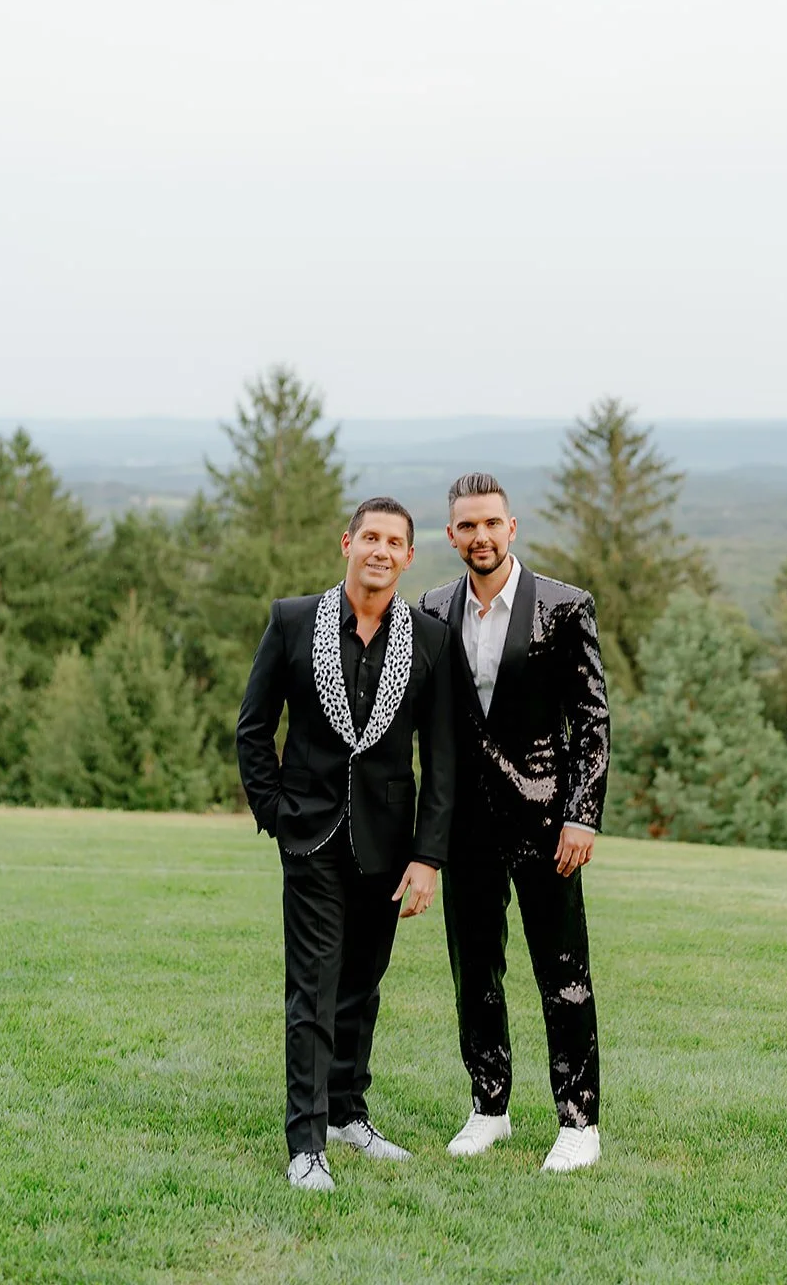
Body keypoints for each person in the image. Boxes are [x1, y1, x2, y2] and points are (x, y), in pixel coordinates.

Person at [237, 496, 454, 1194]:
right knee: (313, 989)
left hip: (389, 846)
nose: (380, 551)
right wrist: (275, 813)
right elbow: (254, 726)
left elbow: (441, 757)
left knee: (361, 987)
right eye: (370, 537)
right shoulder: (292, 620)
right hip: (310, 837)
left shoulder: (429, 638)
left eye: (395, 541)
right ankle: (305, 1143)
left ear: (409, 556)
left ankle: (347, 1115)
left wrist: (428, 856)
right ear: (347, 544)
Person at [419, 473, 610, 1172]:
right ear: (451, 535)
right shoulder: (432, 608)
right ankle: (489, 1107)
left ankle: (578, 1121)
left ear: (512, 527)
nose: (480, 536)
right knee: (475, 971)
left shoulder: (564, 606)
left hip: (546, 819)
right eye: (466, 526)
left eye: (490, 524)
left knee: (562, 971)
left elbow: (592, 722)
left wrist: (581, 817)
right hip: (465, 825)